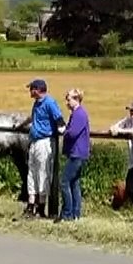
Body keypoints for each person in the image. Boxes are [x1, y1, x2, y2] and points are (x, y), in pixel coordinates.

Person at [15, 78, 64, 218]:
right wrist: (20, 125)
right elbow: (33, 118)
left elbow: (58, 119)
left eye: (31, 89)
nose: (30, 91)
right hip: (35, 140)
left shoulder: (49, 102)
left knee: (42, 173)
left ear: (37, 89)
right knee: (32, 172)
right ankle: (31, 205)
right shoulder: (36, 103)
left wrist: (62, 130)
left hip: (44, 141)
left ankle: (41, 207)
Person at [58, 88, 90, 222]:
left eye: (69, 99)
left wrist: (63, 130)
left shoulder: (79, 114)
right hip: (77, 152)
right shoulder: (76, 114)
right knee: (74, 183)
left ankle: (68, 213)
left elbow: (73, 133)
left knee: (64, 182)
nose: (66, 102)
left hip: (77, 153)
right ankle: (75, 213)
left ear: (76, 99)